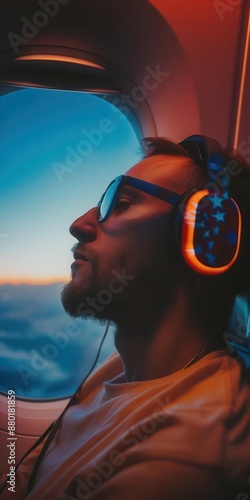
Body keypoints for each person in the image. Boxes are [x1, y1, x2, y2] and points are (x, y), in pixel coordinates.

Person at [1, 135, 250, 499]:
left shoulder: (179, 457)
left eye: (123, 203)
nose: (79, 224)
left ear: (205, 239)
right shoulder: (126, 364)